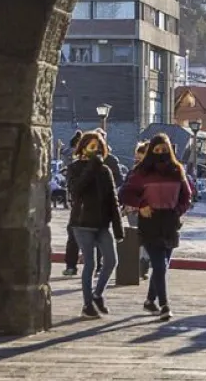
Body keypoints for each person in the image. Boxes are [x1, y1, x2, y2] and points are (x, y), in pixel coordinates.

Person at [119, 133, 193, 321]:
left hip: (170, 222)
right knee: (159, 265)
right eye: (157, 150)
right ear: (151, 151)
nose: (160, 153)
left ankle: (150, 300)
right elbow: (125, 193)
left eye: (164, 150)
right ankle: (164, 304)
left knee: (163, 265)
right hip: (150, 221)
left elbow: (187, 196)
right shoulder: (141, 172)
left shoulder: (177, 170)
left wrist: (178, 210)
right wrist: (141, 205)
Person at [66, 131, 124, 319]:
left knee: (111, 260)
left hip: (102, 224)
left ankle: (97, 294)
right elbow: (75, 191)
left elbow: (113, 200)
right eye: (92, 147)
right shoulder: (74, 168)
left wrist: (118, 228)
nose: (96, 150)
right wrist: (91, 167)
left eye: (99, 147)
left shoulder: (105, 171)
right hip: (82, 223)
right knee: (90, 264)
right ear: (82, 148)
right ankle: (87, 304)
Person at [122, 142, 151, 280]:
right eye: (137, 158)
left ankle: (143, 263)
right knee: (140, 237)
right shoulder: (133, 171)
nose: (138, 160)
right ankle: (141, 264)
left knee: (145, 237)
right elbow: (125, 189)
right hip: (134, 210)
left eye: (141, 157)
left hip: (148, 209)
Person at [63, 130, 84, 277]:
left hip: (95, 208)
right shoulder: (73, 166)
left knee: (97, 239)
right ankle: (71, 265)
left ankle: (97, 266)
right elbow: (72, 187)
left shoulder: (102, 166)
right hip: (78, 206)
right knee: (73, 236)